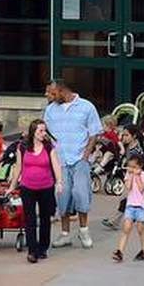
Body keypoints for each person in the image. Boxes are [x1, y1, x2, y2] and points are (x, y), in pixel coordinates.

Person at [43, 79, 102, 249]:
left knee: (81, 193)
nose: (49, 96)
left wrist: (85, 156)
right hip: (60, 160)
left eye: (52, 93)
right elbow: (45, 131)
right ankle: (65, 234)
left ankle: (84, 231)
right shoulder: (50, 110)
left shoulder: (86, 107)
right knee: (63, 195)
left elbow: (94, 133)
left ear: (62, 91)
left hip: (79, 159)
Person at [6, 119, 63, 263]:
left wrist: (59, 182)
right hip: (27, 187)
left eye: (44, 131)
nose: (43, 134)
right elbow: (18, 167)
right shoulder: (23, 147)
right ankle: (32, 250)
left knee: (45, 219)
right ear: (33, 132)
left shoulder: (49, 147)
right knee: (30, 219)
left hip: (46, 187)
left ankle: (43, 248)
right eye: (40, 131)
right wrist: (12, 185)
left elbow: (56, 165)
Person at [112, 152, 144, 263]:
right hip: (130, 205)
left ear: (140, 166)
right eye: (130, 166)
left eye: (134, 167)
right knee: (126, 228)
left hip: (141, 206)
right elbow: (128, 187)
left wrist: (137, 176)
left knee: (140, 229)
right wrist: (129, 176)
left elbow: (141, 189)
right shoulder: (128, 175)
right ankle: (120, 251)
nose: (131, 169)